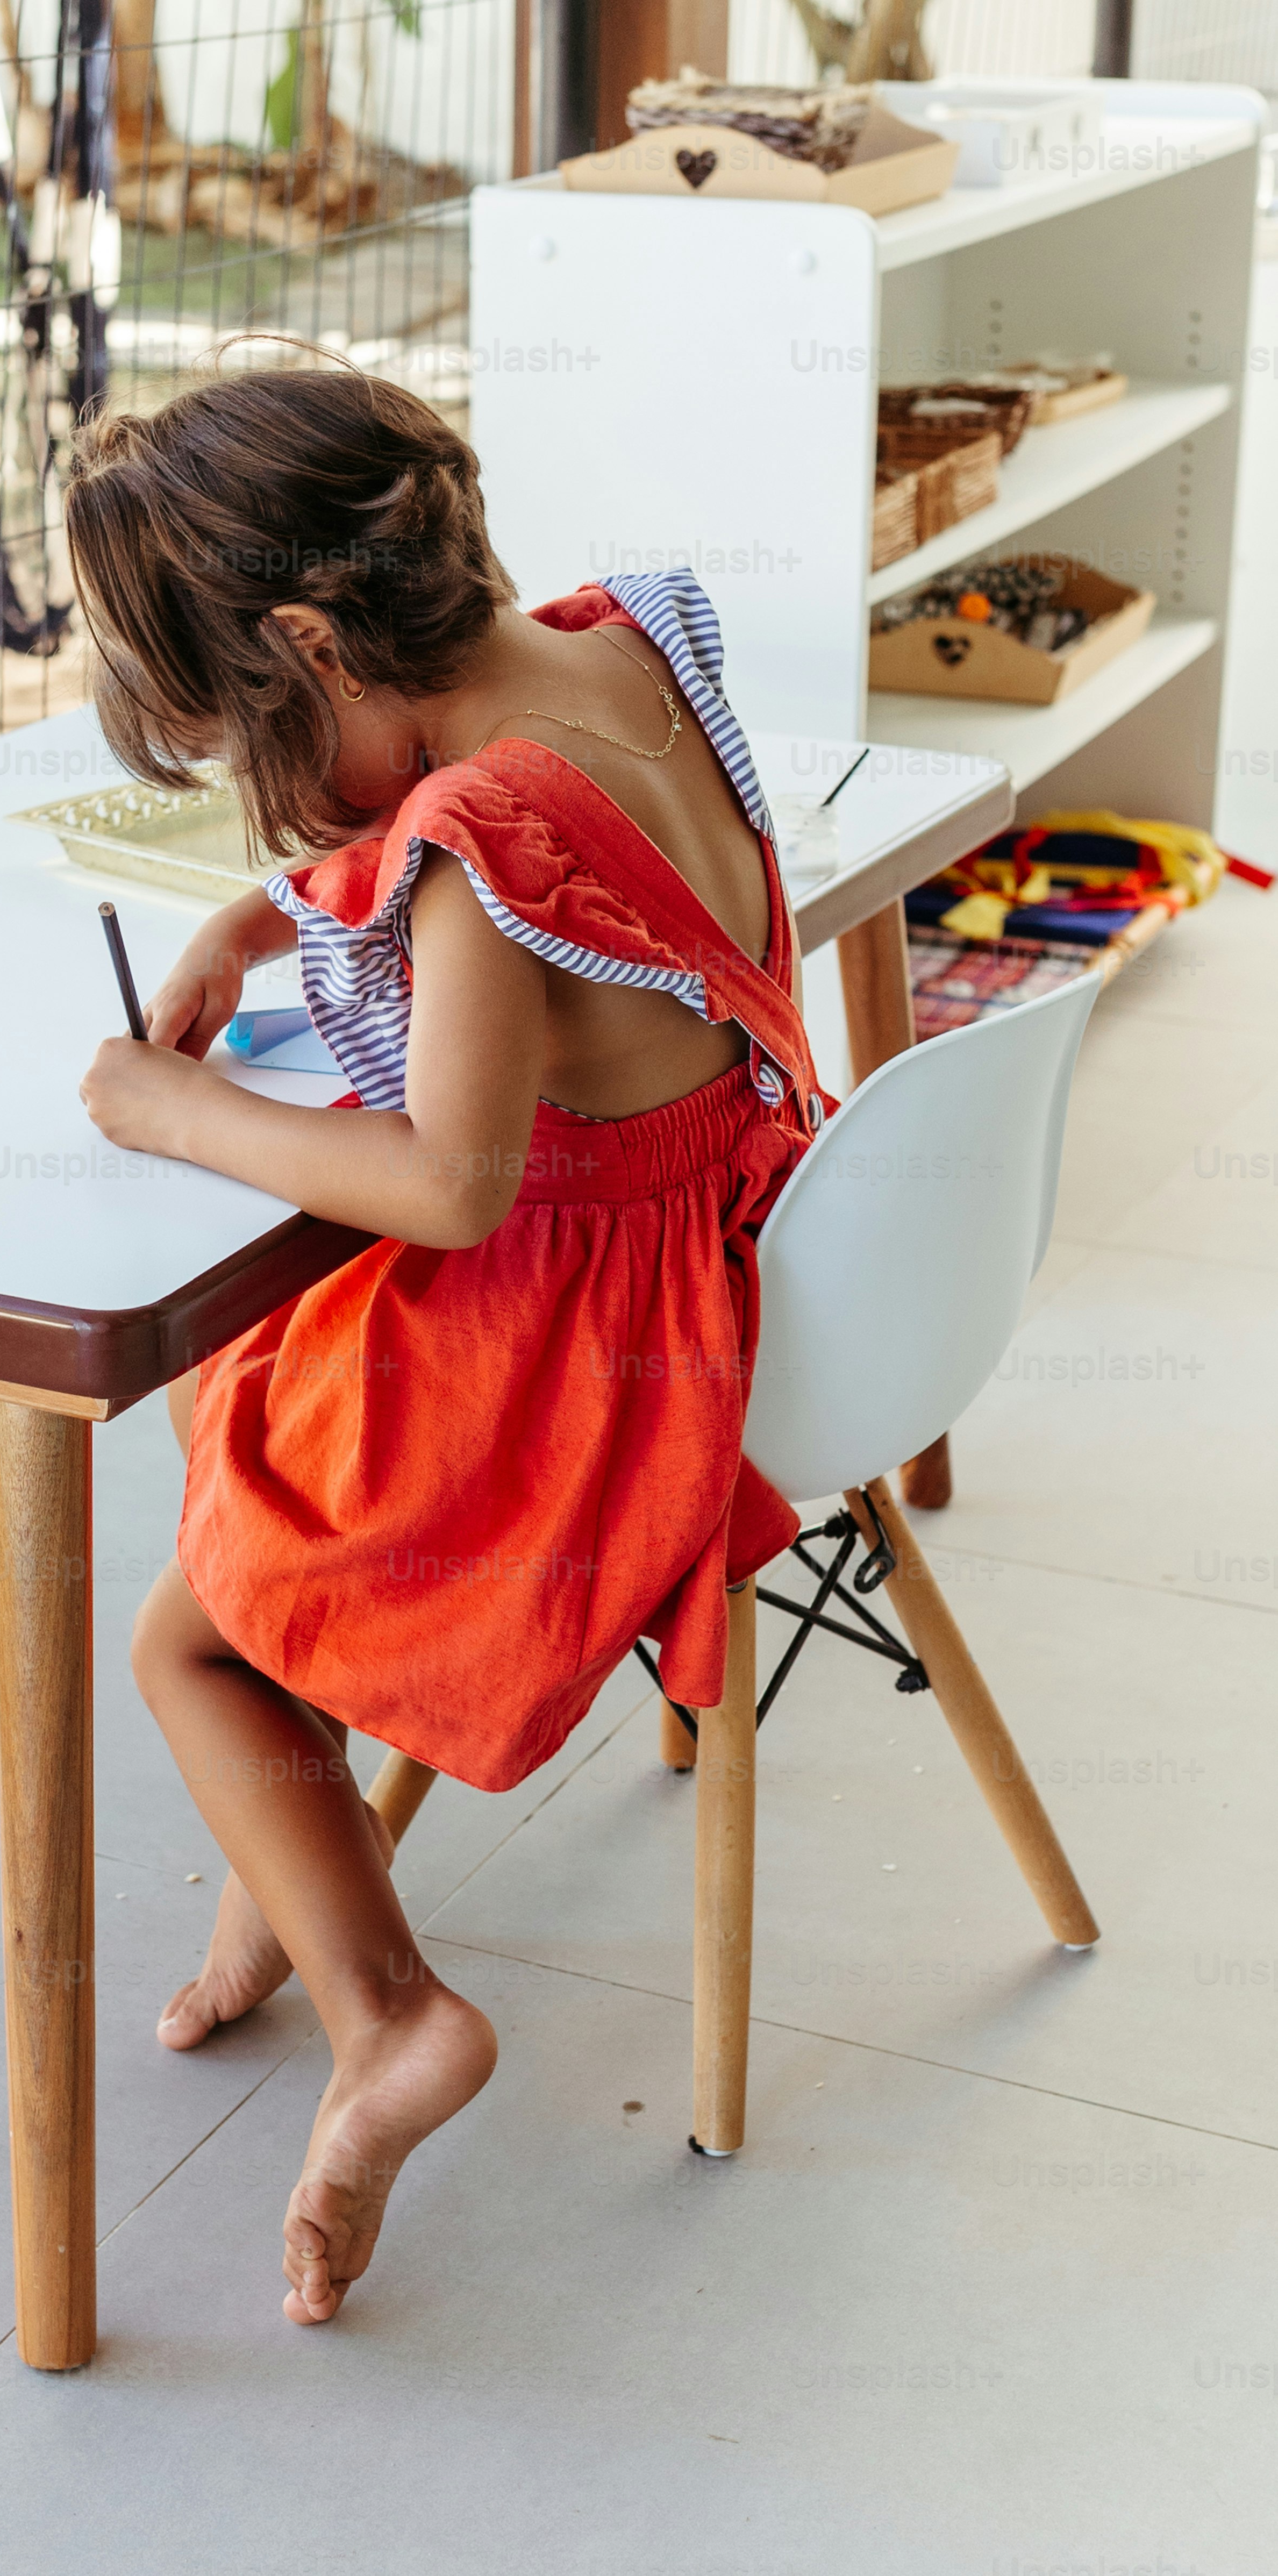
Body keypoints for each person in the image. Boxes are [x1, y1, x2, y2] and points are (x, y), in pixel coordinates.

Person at [68, 364, 825, 2327]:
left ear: (316, 647)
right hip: (737, 1247)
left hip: (586, 1360)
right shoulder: (635, 637)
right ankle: (293, 1869)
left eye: (258, 742)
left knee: (186, 1633)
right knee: (263, 1434)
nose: (274, 798)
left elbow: (451, 1183)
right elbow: (555, 854)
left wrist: (175, 1110)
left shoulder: (474, 842)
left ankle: (390, 2014)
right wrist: (265, 914)